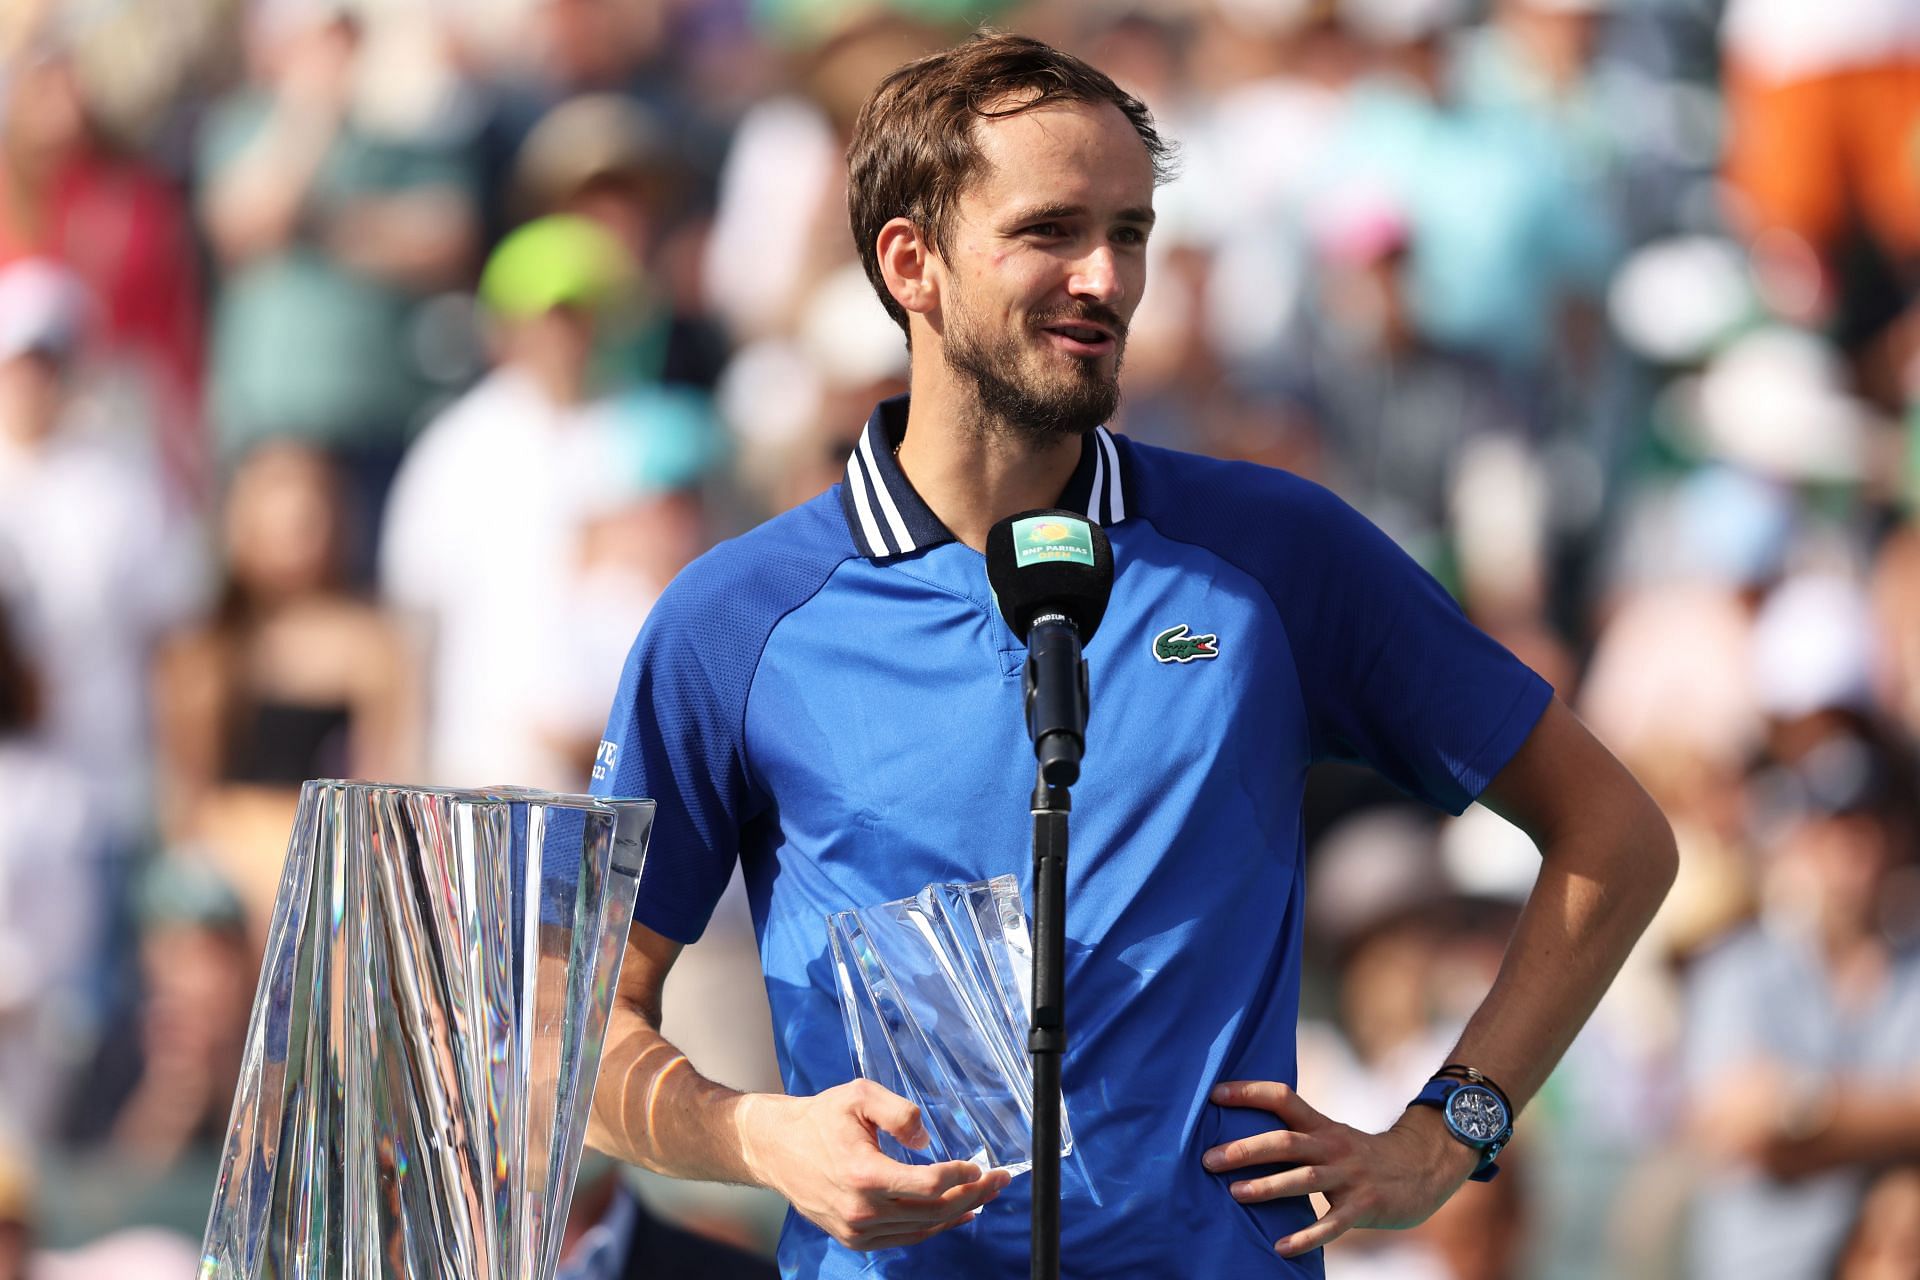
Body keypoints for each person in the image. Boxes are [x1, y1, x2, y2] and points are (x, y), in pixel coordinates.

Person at [585, 32, 1675, 1278]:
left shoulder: (1276, 551)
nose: (1105, 277)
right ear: (911, 263)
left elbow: (1615, 835)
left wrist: (1447, 1132)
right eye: (1051, 229)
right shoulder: (734, 617)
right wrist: (757, 1135)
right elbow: (577, 1031)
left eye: (1134, 232)